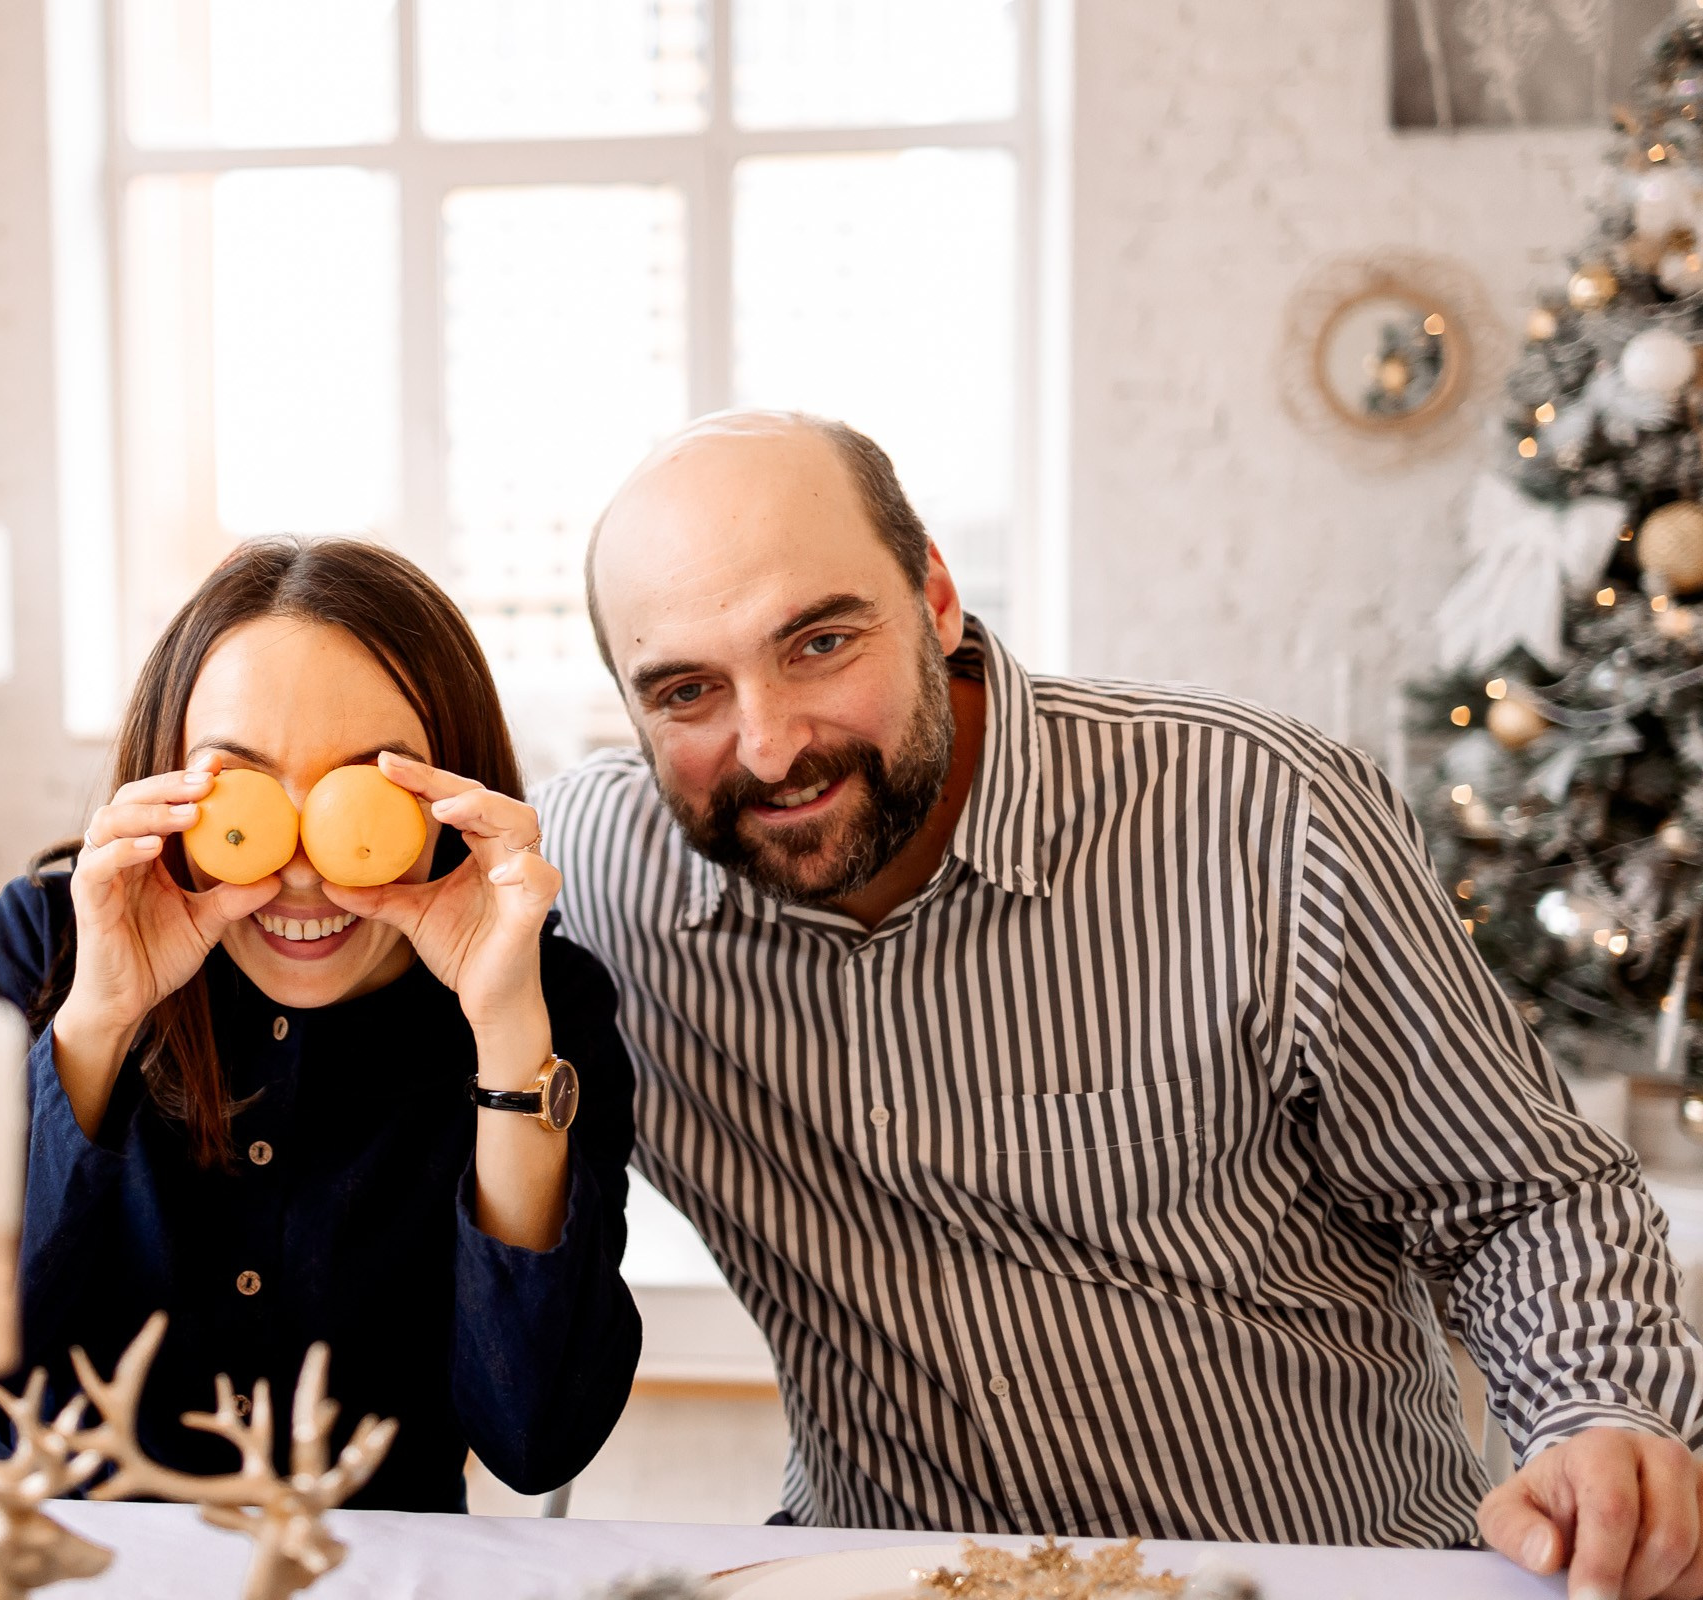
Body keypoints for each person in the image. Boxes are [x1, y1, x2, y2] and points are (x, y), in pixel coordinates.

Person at [540, 409, 1703, 1597]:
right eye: (688, 690)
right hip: (890, 1569)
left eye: (821, 642)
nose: (770, 745)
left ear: (936, 599)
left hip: (1310, 1573)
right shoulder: (593, 871)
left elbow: (1517, 1198)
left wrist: (1596, 1415)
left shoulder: (1262, 814)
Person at [0, 537, 641, 1511]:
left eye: (367, 791)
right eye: (241, 789)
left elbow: (538, 1437)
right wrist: (98, 1018)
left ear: (451, 794)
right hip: (49, 1547)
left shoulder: (538, 998)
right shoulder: (49, 944)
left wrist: (506, 1039)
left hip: (352, 1566)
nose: (304, 870)